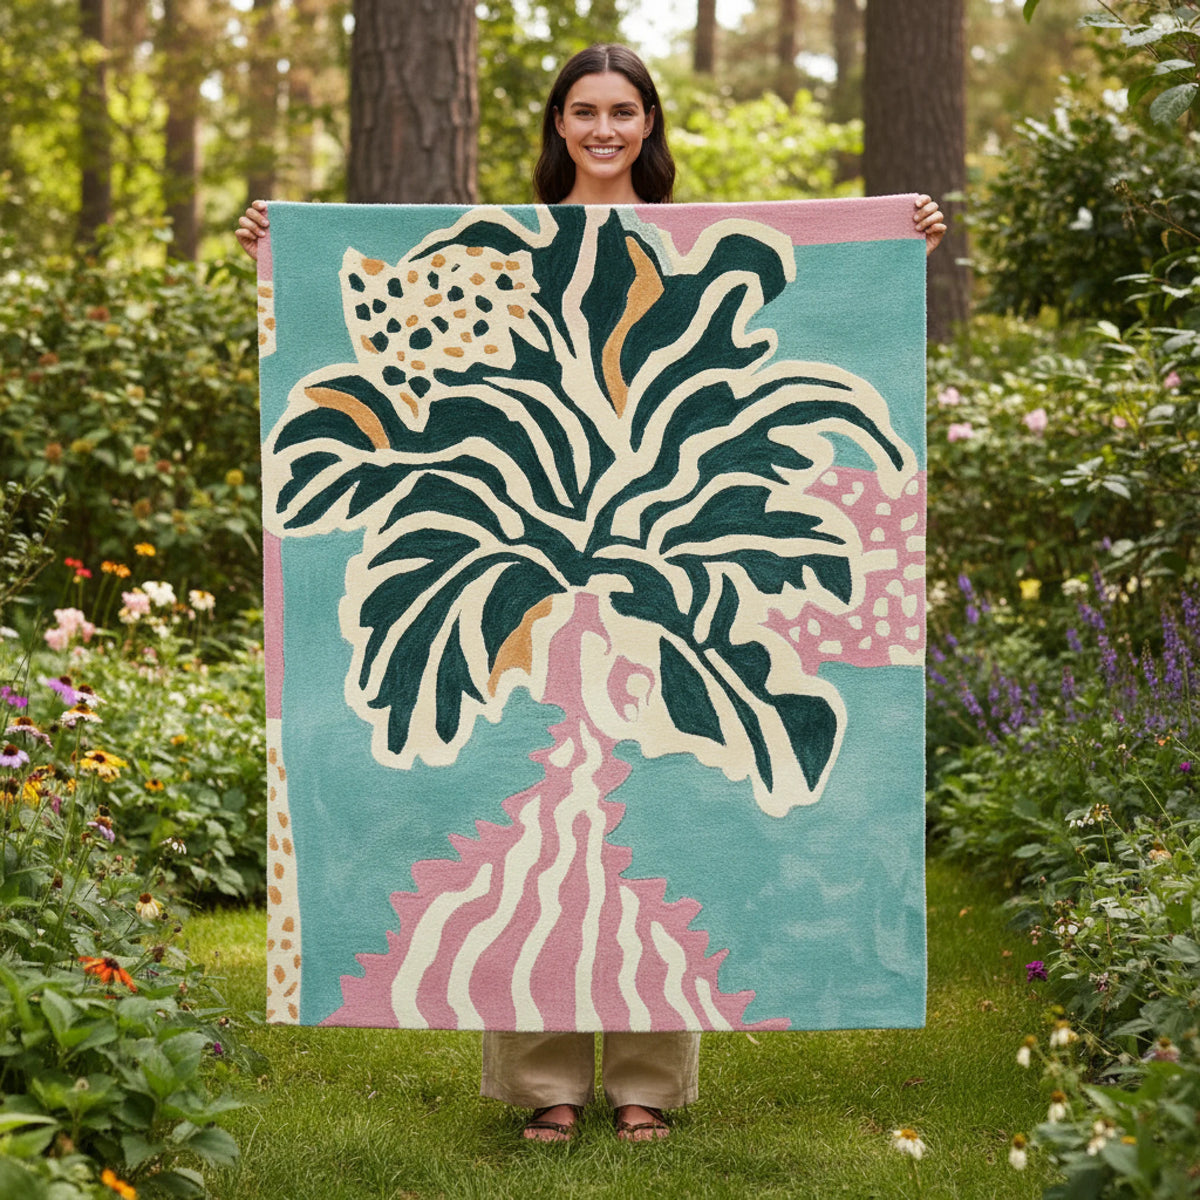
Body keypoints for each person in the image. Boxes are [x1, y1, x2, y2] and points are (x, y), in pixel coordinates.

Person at [236, 42, 945, 1144]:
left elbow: (811, 311)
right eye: (584, 111)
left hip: (661, 574)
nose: (604, 129)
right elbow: (417, 354)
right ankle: (545, 1085)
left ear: (648, 124)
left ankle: (648, 1086)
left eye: (623, 111)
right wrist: (279, 248)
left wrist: (905, 241)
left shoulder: (691, 245)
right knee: (517, 804)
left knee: (666, 818)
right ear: (558, 126)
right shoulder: (507, 249)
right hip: (526, 576)